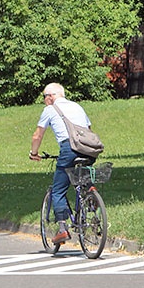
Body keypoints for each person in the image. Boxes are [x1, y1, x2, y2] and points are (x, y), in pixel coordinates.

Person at [28, 83, 95, 245]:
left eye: (44, 97)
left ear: (51, 97)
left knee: (58, 190)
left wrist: (34, 153)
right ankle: (91, 192)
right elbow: (89, 129)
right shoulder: (77, 106)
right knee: (82, 175)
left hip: (68, 148)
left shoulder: (50, 110)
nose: (44, 100)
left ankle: (62, 229)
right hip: (89, 148)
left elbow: (37, 135)